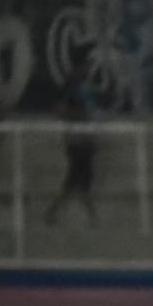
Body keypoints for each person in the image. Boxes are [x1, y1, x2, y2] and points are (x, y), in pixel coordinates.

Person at [43, 55, 101, 227]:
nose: (87, 71)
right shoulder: (68, 90)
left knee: (82, 179)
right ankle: (56, 212)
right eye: (84, 68)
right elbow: (59, 110)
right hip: (76, 141)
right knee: (76, 178)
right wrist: (79, 116)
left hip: (87, 140)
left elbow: (93, 113)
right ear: (76, 69)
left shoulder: (88, 90)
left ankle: (56, 212)